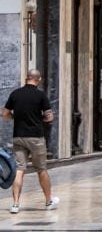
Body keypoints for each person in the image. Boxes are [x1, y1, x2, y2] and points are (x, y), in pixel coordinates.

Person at [2, 70, 58, 213]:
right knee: (41, 169)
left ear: (27, 78)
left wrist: (16, 117)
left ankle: (15, 204)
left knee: (20, 169)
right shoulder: (40, 95)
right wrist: (41, 119)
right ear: (38, 79)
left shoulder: (15, 94)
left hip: (18, 137)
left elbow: (5, 114)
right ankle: (48, 201)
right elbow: (49, 117)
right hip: (36, 137)